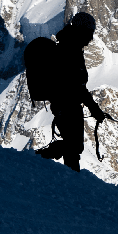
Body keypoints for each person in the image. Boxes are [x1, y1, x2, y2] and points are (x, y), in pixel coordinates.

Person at [36, 11, 106, 172]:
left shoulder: (67, 46)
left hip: (63, 103)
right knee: (73, 146)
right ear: (82, 31)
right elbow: (77, 85)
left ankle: (67, 173)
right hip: (67, 105)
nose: (91, 38)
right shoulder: (70, 50)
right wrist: (94, 108)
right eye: (89, 33)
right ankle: (44, 159)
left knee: (72, 145)